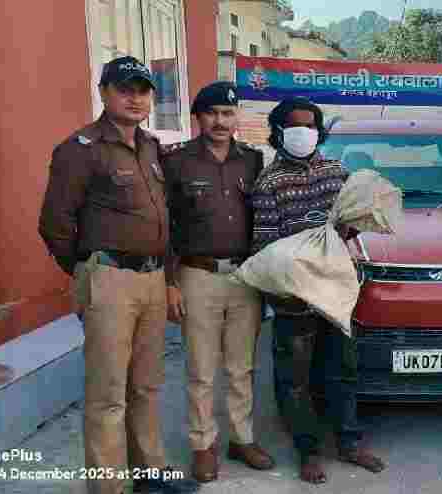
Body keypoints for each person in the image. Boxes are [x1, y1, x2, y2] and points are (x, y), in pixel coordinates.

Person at [38, 56, 199, 494]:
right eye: (124, 89)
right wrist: (87, 269)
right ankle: (108, 486)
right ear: (103, 92)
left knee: (146, 385)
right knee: (108, 392)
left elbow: (164, 217)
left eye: (143, 90)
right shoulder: (80, 149)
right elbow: (54, 223)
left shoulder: (150, 146)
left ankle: (149, 474)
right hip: (109, 278)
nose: (135, 98)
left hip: (151, 279)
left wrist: (167, 277)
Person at [251, 97, 385, 484]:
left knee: (343, 370)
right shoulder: (268, 183)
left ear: (319, 131)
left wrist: (353, 223)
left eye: (310, 126)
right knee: (295, 380)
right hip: (293, 298)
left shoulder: (337, 173)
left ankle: (349, 442)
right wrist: (289, 284)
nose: (304, 133)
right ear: (278, 132)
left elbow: (353, 226)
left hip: (335, 293)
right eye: (295, 126)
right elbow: (264, 245)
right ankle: (307, 451)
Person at [162, 81, 273, 483]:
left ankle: (242, 439)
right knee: (201, 368)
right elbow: (163, 225)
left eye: (228, 113)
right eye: (212, 113)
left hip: (245, 276)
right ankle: (202, 444)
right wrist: (168, 282)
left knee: (242, 366)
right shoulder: (176, 162)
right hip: (197, 275)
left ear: (236, 116)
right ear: (198, 118)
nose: (220, 121)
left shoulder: (254, 161)